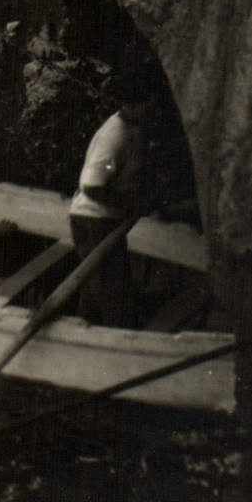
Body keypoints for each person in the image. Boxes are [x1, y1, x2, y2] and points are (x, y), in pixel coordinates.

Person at [68, 91, 161, 327]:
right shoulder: (114, 135)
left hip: (108, 219)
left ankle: (83, 335)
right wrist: (130, 205)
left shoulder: (136, 129)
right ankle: (108, 341)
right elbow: (92, 186)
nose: (152, 112)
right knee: (112, 292)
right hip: (93, 220)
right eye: (148, 106)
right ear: (131, 104)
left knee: (99, 286)